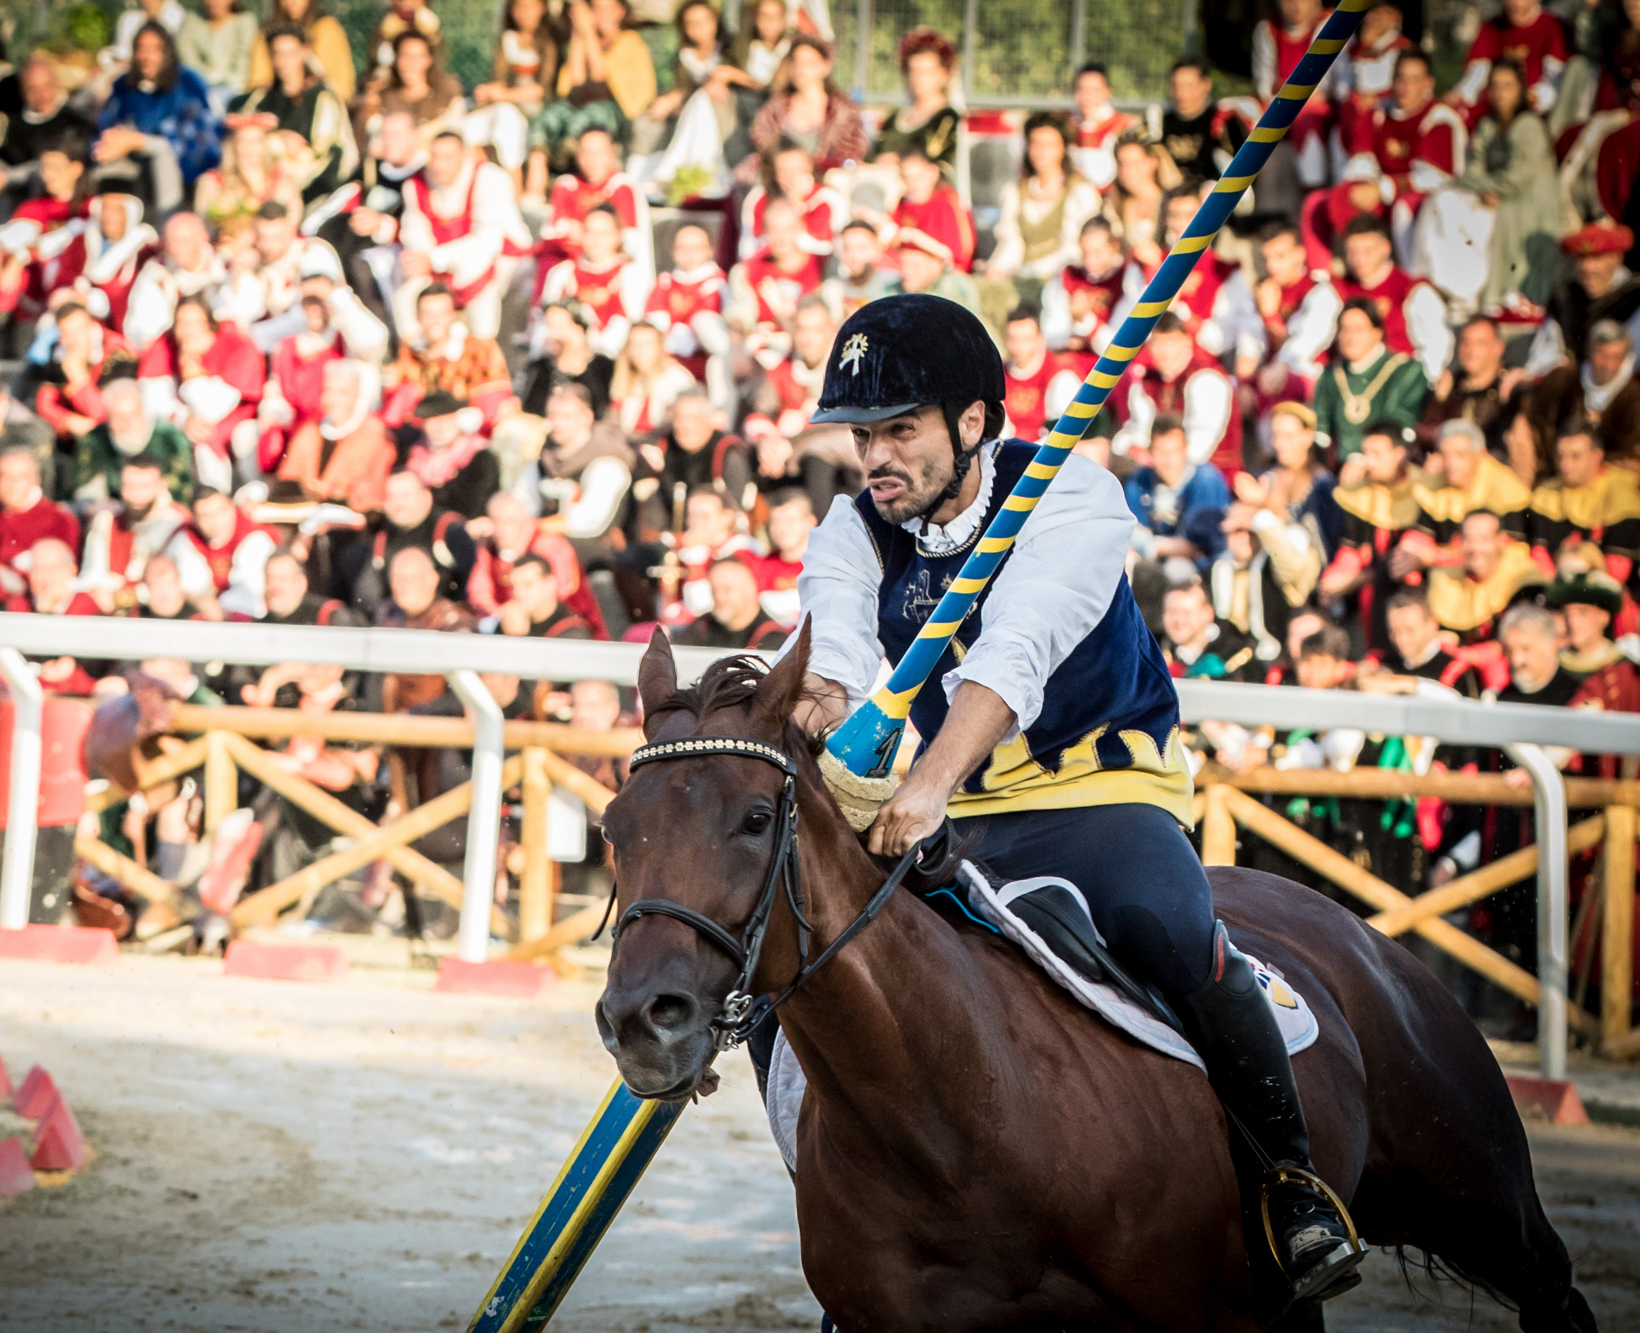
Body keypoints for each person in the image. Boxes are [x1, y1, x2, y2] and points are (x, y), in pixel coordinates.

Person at [787, 291, 1365, 1302]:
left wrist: (927, 782)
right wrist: (828, 705)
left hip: (1101, 791)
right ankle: (868, 1226)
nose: (873, 456)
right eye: (861, 434)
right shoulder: (850, 526)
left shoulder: (1071, 495)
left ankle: (1288, 1181)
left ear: (972, 422)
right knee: (818, 964)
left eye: (898, 431)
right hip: (948, 811)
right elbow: (839, 651)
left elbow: (1013, 656)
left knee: (1167, 927)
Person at [1416, 59, 1563, 317]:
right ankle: (1450, 286)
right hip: (1494, 194)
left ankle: (1485, 292)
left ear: (1520, 89)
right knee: (1445, 201)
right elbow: (1473, 170)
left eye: (1508, 86)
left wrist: (1488, 188)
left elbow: (1518, 178)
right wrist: (1485, 188)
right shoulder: (1488, 124)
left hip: (1529, 200)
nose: (1500, 93)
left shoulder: (1529, 125)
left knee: (1488, 220)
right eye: (1495, 86)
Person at [396, 131, 533, 343]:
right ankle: (413, 354)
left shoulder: (491, 178)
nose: (439, 165)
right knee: (405, 286)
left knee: (478, 283)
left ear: (464, 156)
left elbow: (487, 242)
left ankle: (484, 351)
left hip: (503, 261)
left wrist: (433, 260)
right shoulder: (415, 184)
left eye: (448, 158)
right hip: (442, 263)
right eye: (435, 157)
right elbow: (414, 231)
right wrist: (425, 260)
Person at [1340, 50, 1466, 263]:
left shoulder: (1440, 118)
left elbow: (1437, 176)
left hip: (1430, 201)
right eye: (1401, 78)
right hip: (1382, 191)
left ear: (1428, 83)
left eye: (1415, 80)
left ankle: (1410, 279)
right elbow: (1362, 157)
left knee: (1404, 208)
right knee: (1331, 200)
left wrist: (1383, 188)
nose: (1406, 87)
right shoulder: (1379, 112)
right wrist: (1364, 185)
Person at [95, 22, 221, 217]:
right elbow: (107, 125)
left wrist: (139, 141)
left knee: (162, 154)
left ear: (167, 52)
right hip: (133, 161)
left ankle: (166, 223)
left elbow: (199, 144)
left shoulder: (187, 84)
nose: (147, 57)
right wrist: (109, 143)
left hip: (180, 163)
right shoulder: (124, 87)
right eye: (141, 49)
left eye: (154, 49)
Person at [230, 22, 357, 205]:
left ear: (305, 52)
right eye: (277, 53)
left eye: (290, 53)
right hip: (265, 191)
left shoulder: (323, 98)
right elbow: (241, 137)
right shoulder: (261, 98)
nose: (283, 61)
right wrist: (278, 139)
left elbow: (323, 153)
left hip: (317, 190)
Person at [984, 111, 1099, 307]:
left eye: (1049, 145)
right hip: (1019, 278)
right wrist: (997, 269)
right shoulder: (1015, 192)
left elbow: (1075, 250)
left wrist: (1029, 271)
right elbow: (1011, 241)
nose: (1041, 151)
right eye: (1035, 143)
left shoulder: (1080, 192)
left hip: (1061, 281)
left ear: (1063, 148)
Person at [1109, 312, 1240, 479]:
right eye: (1158, 342)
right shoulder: (1148, 381)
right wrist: (1132, 448)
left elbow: (1200, 447)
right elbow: (1137, 431)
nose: (1165, 351)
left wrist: (1155, 460)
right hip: (1160, 470)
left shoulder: (1205, 378)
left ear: (1187, 342)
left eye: (1171, 342)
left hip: (1210, 479)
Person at [529, 0, 656, 164]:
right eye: (596, 9)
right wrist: (578, 31)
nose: (602, 14)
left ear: (621, 11)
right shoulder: (584, 38)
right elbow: (575, 82)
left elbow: (600, 78)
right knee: (546, 117)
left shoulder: (630, 41)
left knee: (587, 117)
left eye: (608, 8)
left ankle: (572, 166)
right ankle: (535, 183)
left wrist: (588, 32)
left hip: (620, 114)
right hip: (580, 107)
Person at [1334, 214, 1453, 382]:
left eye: (1367, 250)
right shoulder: (1337, 290)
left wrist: (1413, 384)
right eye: (1353, 252)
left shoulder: (1412, 290)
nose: (1360, 259)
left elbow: (1437, 345)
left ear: (1385, 248)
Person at [382, 282, 515, 431]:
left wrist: (461, 422)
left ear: (453, 315)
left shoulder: (478, 351)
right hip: (424, 435)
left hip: (469, 434)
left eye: (441, 314)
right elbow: (397, 411)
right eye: (428, 314)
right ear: (418, 317)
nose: (435, 321)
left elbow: (495, 403)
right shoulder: (410, 356)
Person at [1312, 297, 1429, 462]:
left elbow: (1401, 426)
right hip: (1340, 468)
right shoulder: (1331, 374)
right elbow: (1321, 428)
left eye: (1358, 329)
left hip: (1387, 466)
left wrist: (1363, 460)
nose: (1350, 337)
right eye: (1345, 329)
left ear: (1377, 333)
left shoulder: (1405, 370)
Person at [740, 34, 864, 181]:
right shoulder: (775, 108)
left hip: (825, 183)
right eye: (796, 61)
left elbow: (849, 156)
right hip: (780, 183)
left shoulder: (843, 112)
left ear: (826, 66)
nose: (800, 68)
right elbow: (762, 146)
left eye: (808, 62)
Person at [1527, 422, 1640, 582]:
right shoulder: (1545, 493)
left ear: (1597, 456)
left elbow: (1617, 570)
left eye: (1576, 456)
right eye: (1560, 456)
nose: (1565, 464)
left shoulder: (1621, 491)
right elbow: (1539, 555)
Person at [276, 358, 393, 512]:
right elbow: (287, 478)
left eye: (342, 392)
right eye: (328, 390)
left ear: (358, 395)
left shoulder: (374, 436)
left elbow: (370, 494)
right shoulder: (310, 432)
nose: (333, 399)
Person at [1525, 220, 1640, 376]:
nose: (1587, 268)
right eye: (1582, 258)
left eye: (1596, 258)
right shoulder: (1565, 297)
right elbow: (1546, 351)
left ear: (1617, 258)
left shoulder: (1635, 295)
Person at [1425, 509, 1546, 647]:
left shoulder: (1524, 578)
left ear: (1500, 540)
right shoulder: (1445, 577)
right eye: (1468, 539)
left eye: (1483, 539)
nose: (1475, 548)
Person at [465, 0, 558, 177]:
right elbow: (498, 79)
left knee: (507, 121)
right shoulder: (507, 40)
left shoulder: (548, 43)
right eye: (520, 7)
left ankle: (514, 185)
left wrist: (505, 95)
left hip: (532, 110)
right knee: (467, 127)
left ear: (542, 9)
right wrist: (486, 91)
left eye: (531, 7)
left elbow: (542, 89)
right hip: (504, 105)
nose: (526, 13)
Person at [1529, 319, 1640, 467]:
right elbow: (1535, 424)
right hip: (1555, 471)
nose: (1608, 364)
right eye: (1602, 355)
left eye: (1616, 357)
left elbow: (1631, 454)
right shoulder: (1562, 379)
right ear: (1590, 350)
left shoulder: (1634, 398)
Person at [1253, 222, 1343, 401]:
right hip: (1269, 380)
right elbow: (1251, 345)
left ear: (1300, 254)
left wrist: (1270, 317)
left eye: (1280, 257)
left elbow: (1303, 346)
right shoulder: (1263, 289)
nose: (1272, 266)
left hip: (1311, 385)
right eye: (1267, 258)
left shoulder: (1320, 292)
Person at [71, 374, 193, 505]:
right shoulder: (95, 440)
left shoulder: (169, 437)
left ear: (143, 409)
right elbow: (84, 490)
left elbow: (184, 488)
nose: (127, 424)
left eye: (133, 415)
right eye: (118, 418)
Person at [1416, 316, 1525, 461]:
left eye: (1480, 343)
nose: (1471, 350)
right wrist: (1439, 401)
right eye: (1465, 342)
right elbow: (1424, 435)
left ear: (1499, 347)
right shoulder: (1450, 385)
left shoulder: (1512, 385)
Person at [0, 59, 96, 215]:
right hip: (19, 206)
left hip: (63, 208)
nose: (41, 95)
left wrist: (11, 177)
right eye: (33, 89)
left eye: (47, 86)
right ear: (22, 90)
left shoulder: (75, 122)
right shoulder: (13, 123)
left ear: (56, 84)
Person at [33, 302, 137, 444]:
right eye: (66, 333)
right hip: (72, 437)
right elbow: (44, 404)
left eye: (79, 330)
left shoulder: (118, 354)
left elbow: (105, 415)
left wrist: (78, 376)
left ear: (92, 326)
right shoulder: (59, 351)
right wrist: (68, 420)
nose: (73, 340)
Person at [1451, 0, 1569, 118]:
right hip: (1493, 112)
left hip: (1535, 114)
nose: (1515, 3)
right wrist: (1458, 97)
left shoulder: (1555, 28)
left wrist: (1527, 98)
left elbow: (1556, 83)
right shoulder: (1491, 29)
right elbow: (1474, 80)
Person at [170, 485, 275, 617]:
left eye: (220, 511)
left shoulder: (254, 537)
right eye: (205, 515)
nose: (216, 520)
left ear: (231, 506)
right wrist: (200, 600)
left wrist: (217, 607)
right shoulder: (186, 538)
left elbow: (252, 599)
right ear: (195, 520)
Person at [869, 28, 960, 175]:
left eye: (926, 72)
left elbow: (940, 164)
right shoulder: (894, 118)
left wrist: (900, 163)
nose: (918, 78)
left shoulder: (947, 119)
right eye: (913, 71)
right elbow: (872, 155)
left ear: (943, 74)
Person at [401, 389, 499, 520]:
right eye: (433, 420)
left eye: (447, 418)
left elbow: (477, 507)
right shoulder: (412, 458)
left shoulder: (479, 457)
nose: (441, 426)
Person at [1162, 56, 1247, 189]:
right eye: (1176, 85)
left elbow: (1244, 166)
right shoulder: (1161, 122)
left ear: (1206, 85)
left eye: (1188, 86)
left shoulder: (1223, 121)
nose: (1181, 93)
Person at [246, 0, 356, 102]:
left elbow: (338, 84)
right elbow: (258, 81)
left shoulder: (326, 28)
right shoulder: (267, 33)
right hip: (276, 102)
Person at [0, 446, 79, 589]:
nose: (11, 483)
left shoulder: (58, 520)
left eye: (21, 477)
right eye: (3, 476)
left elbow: (61, 580)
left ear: (36, 480)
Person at [889, 144, 975, 274]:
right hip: (906, 268)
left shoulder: (947, 202)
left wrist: (914, 237)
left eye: (919, 177)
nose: (913, 184)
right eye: (907, 178)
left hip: (942, 273)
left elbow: (958, 257)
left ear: (933, 173)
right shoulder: (903, 204)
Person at [1001, 307, 1081, 444]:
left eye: (1026, 339)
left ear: (1040, 339)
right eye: (1013, 339)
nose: (1019, 346)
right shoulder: (999, 375)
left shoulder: (1059, 373)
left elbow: (1064, 431)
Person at [673, 554, 787, 649]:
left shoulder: (772, 638)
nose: (719, 597)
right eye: (714, 590)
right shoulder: (702, 627)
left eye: (726, 589)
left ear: (751, 588)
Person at [1160, 579, 1259, 681]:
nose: (1178, 620)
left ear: (1207, 613)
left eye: (1186, 613)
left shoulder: (1238, 658)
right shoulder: (1156, 656)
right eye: (1171, 612)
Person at [1067, 60, 1137, 191]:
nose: (1087, 96)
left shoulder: (1123, 126)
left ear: (1107, 91)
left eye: (1095, 90)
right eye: (1081, 89)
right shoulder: (1065, 123)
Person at [177, 0, 260, 109]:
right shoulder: (191, 22)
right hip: (198, 92)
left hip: (237, 94)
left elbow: (242, 63)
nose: (214, 2)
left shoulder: (245, 21)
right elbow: (188, 61)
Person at [498, 551, 593, 639]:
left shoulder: (573, 633)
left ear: (550, 584)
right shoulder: (509, 623)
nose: (518, 593)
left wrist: (517, 638)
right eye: (513, 586)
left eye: (528, 584)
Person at [821, 219, 900, 319]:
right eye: (847, 248)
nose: (854, 256)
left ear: (877, 250)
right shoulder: (832, 290)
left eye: (862, 248)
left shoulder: (894, 286)